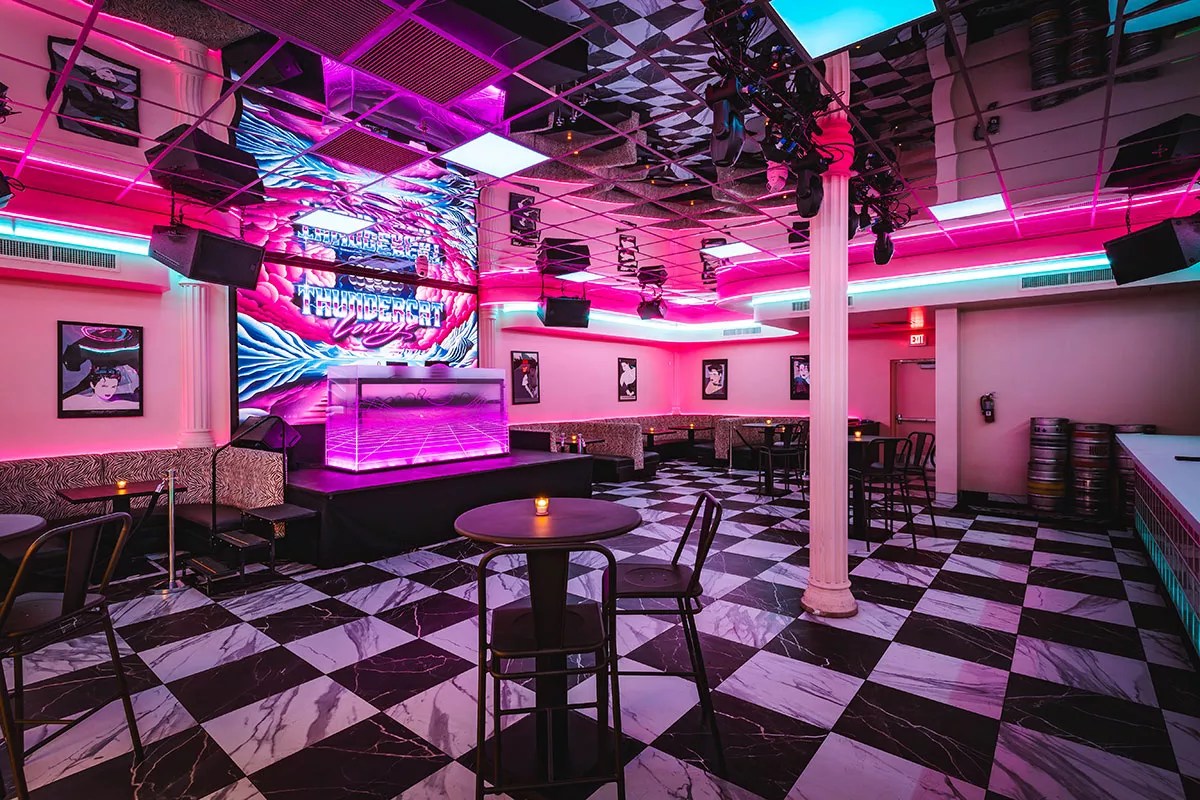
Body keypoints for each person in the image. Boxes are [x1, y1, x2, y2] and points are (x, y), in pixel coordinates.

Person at [61, 364, 140, 412]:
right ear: (92, 385)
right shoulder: (75, 400)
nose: (109, 390)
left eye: (113, 387)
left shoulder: (119, 404)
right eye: (104, 386)